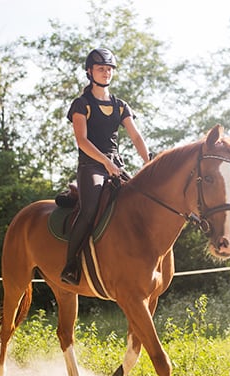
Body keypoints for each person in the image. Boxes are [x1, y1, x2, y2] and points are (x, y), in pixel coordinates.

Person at [61, 48, 150, 285]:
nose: (106, 73)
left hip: (116, 166)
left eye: (109, 69)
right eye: (101, 69)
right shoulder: (81, 104)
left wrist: (149, 162)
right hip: (92, 166)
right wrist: (106, 162)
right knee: (89, 210)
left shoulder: (121, 106)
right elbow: (82, 141)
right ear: (89, 72)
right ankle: (70, 266)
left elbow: (137, 137)